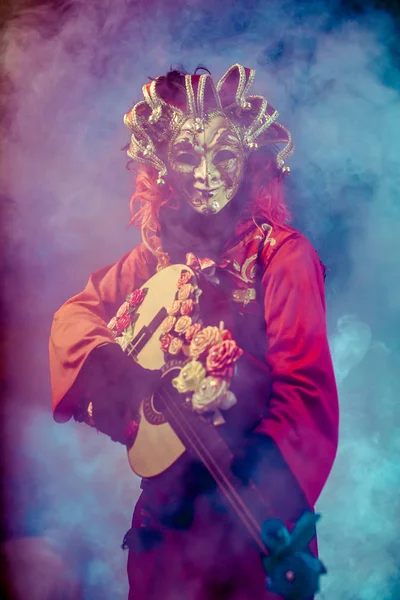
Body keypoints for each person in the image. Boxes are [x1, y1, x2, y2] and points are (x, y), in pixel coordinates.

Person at [49, 64, 339, 600]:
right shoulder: (155, 255)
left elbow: (306, 391)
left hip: (246, 516)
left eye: (223, 154)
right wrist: (114, 368)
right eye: (187, 155)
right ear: (163, 166)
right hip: (165, 525)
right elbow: (76, 315)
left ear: (249, 162)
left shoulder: (282, 256)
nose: (205, 173)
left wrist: (257, 485)